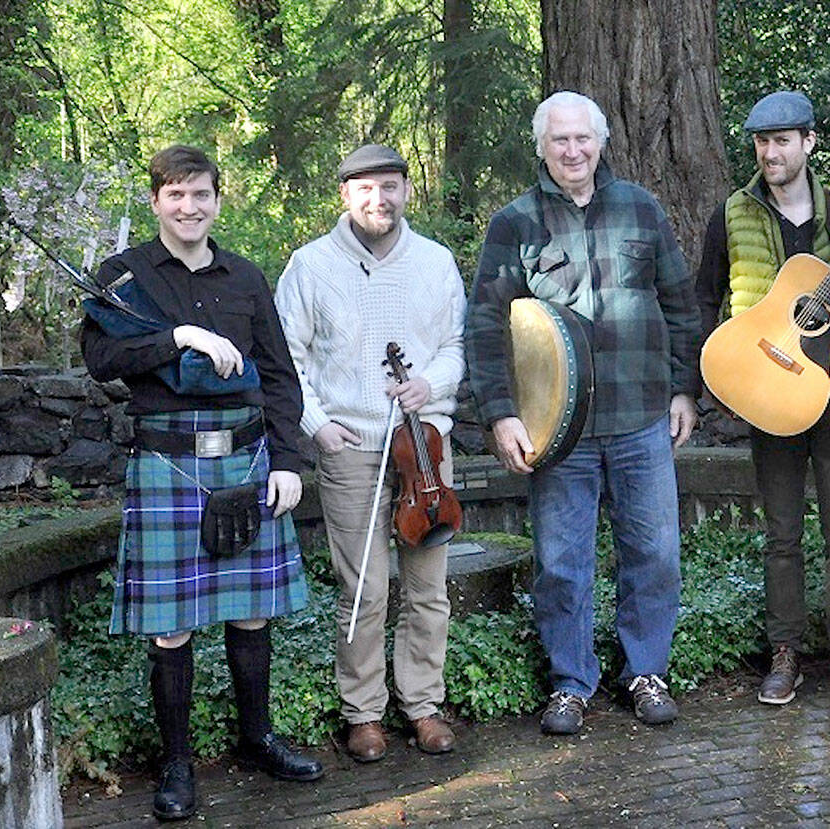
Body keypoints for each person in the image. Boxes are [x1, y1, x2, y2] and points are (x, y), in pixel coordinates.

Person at [80, 145, 323, 822]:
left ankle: (257, 737)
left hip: (247, 460)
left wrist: (287, 460)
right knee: (173, 628)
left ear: (219, 199)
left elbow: (278, 374)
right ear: (156, 200)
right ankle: (178, 761)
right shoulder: (123, 279)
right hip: (167, 464)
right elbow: (100, 358)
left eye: (201, 194)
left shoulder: (244, 276)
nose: (189, 207)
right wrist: (179, 336)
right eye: (176, 195)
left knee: (252, 611)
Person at [465, 91, 702, 735]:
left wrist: (686, 390)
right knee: (562, 562)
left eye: (583, 139)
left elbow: (681, 305)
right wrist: (501, 414)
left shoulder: (641, 209)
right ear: (541, 147)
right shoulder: (514, 224)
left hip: (642, 416)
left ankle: (646, 671)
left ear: (601, 143)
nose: (573, 151)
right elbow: (486, 326)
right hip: (557, 430)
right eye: (559, 140)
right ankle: (571, 682)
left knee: (654, 552)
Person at [274, 145, 465, 760]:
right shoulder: (310, 265)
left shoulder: (435, 262)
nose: (379, 199)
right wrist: (317, 425)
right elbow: (286, 359)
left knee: (427, 586)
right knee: (364, 588)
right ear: (345, 196)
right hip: (351, 445)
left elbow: (457, 345)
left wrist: (429, 384)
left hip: (425, 445)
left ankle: (424, 705)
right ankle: (364, 713)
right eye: (365, 189)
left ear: (407, 190)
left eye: (390, 186)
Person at [696, 90, 830, 706]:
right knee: (781, 533)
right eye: (762, 142)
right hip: (766, 391)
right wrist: (695, 387)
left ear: (809, 143)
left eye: (782, 141)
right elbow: (705, 297)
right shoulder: (732, 213)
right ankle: (786, 652)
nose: (771, 152)